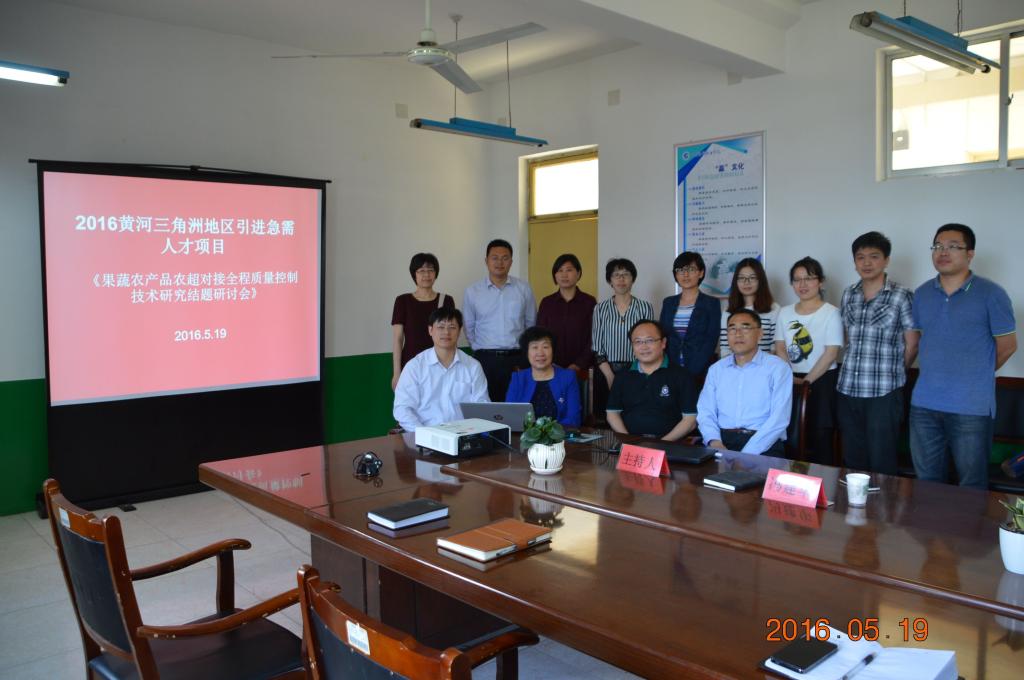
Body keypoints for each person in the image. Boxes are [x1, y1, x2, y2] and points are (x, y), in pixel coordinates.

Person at [910, 223, 1017, 488]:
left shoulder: (991, 294)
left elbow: (1007, 346)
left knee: (971, 486)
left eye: (953, 246)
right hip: (924, 406)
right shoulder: (922, 294)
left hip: (971, 408)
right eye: (937, 246)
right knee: (927, 483)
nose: (943, 252)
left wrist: (974, 373)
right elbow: (921, 341)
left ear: (970, 254)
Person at [837, 232, 917, 475]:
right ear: (854, 262)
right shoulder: (848, 294)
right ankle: (854, 501)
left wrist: (893, 373)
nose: (867, 262)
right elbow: (847, 339)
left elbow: (912, 344)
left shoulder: (902, 295)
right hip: (848, 388)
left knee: (882, 462)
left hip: (884, 392)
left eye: (874, 256)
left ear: (886, 260)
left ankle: (884, 503)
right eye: (860, 257)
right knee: (852, 461)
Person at [774, 257, 842, 464]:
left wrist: (806, 382)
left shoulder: (832, 313)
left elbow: (831, 353)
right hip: (791, 380)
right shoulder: (784, 312)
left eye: (809, 278)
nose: (802, 284)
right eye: (797, 279)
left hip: (822, 381)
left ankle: (824, 483)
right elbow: (780, 347)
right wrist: (790, 377)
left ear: (820, 282)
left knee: (820, 438)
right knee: (789, 435)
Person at [698, 310, 793, 454]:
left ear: (760, 334)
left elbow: (779, 419)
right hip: (721, 441)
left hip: (764, 443)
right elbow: (705, 411)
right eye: (732, 329)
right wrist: (714, 441)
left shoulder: (778, 368)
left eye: (745, 328)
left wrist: (746, 455)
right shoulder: (716, 369)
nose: (738, 334)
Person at [463, 239, 537, 401]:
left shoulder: (524, 289)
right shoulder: (472, 291)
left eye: (505, 258)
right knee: (486, 406)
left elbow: (531, 324)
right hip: (485, 360)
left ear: (511, 261)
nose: (499, 262)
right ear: (486, 261)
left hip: (517, 359)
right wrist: (479, 350)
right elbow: (469, 327)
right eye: (495, 258)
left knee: (519, 405)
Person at [392, 308, 488, 431]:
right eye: (441, 327)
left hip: (464, 435)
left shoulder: (473, 366)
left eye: (452, 327)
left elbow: (482, 406)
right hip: (424, 436)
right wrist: (425, 434)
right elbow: (402, 409)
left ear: (459, 331)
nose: (446, 332)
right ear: (430, 330)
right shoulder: (415, 366)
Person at [606, 320, 698, 441]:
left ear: (663, 343)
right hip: (630, 442)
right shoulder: (622, 375)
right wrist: (628, 441)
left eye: (649, 340)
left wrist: (662, 444)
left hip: (670, 444)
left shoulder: (682, 376)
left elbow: (690, 420)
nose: (644, 347)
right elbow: (612, 413)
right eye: (638, 342)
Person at [591, 258, 655, 418]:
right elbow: (597, 347)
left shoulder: (645, 307)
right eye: (616, 275)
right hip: (606, 370)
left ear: (633, 279)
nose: (621, 279)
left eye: (626, 274)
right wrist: (610, 376)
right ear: (610, 280)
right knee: (606, 417)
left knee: (634, 416)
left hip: (637, 370)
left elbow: (648, 344)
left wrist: (634, 373)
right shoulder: (600, 309)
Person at [391, 253, 455, 390]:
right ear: (414, 274)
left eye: (430, 270)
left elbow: (451, 336)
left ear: (436, 274)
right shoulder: (402, 301)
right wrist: (397, 373)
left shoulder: (446, 300)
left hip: (440, 365)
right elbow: (398, 339)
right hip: (410, 364)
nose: (426, 274)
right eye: (421, 270)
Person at [659, 252, 721, 378]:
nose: (685, 274)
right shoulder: (668, 303)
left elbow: (711, 340)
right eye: (680, 270)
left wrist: (693, 370)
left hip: (700, 370)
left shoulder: (712, 304)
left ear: (701, 273)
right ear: (676, 274)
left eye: (691, 269)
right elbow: (662, 336)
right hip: (671, 368)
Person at [506, 326, 581, 427]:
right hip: (525, 435)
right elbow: (509, 416)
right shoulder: (518, 379)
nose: (540, 353)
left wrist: (548, 432)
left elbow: (573, 418)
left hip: (560, 435)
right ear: (527, 352)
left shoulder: (568, 377)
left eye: (545, 347)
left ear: (553, 350)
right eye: (535, 347)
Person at [536, 254, 597, 371]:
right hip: (551, 367)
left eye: (569, 270)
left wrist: (579, 364)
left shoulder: (589, 302)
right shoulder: (547, 303)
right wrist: (549, 362)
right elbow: (540, 336)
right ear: (555, 275)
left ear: (578, 273)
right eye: (560, 270)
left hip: (581, 369)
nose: (564, 275)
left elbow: (594, 337)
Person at [719, 258, 779, 357]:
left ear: (760, 280)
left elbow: (775, 347)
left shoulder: (773, 308)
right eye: (741, 278)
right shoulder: (728, 310)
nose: (746, 282)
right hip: (735, 365)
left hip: (765, 364)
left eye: (752, 278)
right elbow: (725, 348)